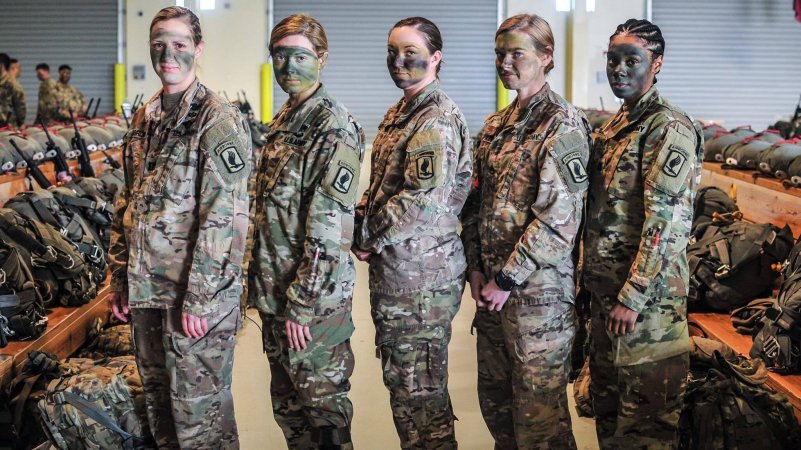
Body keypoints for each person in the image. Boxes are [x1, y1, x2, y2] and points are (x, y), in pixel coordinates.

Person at [108, 6, 251, 449]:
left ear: (198, 49)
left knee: (200, 421)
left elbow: (225, 218)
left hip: (194, 303)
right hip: (148, 294)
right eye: (158, 45)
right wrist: (119, 278)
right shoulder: (146, 116)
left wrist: (201, 298)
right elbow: (127, 201)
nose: (167, 54)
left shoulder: (217, 118)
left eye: (179, 44)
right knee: (161, 415)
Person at [461, 13, 591, 449]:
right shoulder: (495, 128)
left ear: (546, 56)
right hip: (492, 297)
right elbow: (475, 206)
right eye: (500, 53)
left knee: (541, 424)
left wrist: (506, 278)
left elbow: (559, 218)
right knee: (498, 410)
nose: (505, 62)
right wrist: (476, 270)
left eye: (517, 52)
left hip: (539, 302)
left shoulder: (562, 124)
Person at [582, 18, 703, 449]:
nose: (619, 69)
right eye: (613, 60)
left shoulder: (668, 128)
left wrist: (632, 297)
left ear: (657, 65)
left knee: (646, 430)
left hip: (647, 311)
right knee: (609, 418)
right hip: (606, 301)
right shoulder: (616, 127)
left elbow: (667, 223)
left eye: (631, 60)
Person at [353, 16, 472, 450]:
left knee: (420, 393)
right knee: (405, 388)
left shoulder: (435, 119)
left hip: (421, 282)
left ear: (436, 57)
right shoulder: (402, 111)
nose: (399, 62)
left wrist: (367, 236)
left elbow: (419, 204)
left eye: (411, 53)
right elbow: (382, 183)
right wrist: (362, 220)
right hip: (399, 274)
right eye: (392, 52)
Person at [248, 14, 364, 450]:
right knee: (291, 413)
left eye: (300, 56)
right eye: (280, 56)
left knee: (324, 416)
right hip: (277, 294)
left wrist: (301, 303)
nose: (289, 66)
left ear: (322, 58)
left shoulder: (332, 127)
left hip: (312, 305)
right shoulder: (287, 118)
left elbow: (328, 230)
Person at [0, 53, 26, 127]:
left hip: (8, 128)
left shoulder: (12, 84)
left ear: (2, 65)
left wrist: (20, 123)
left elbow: (20, 106)